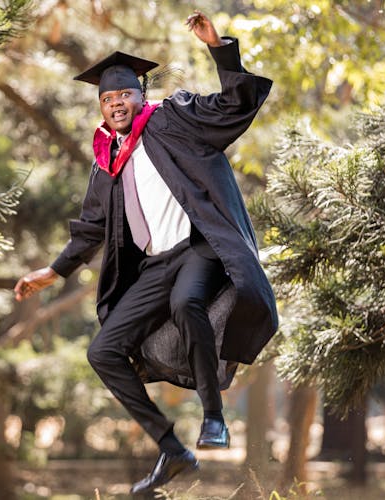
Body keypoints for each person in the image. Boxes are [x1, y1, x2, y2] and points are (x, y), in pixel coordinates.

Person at [14, 10, 278, 494]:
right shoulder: (106, 163)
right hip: (157, 265)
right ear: (101, 106)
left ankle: (213, 417)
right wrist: (51, 273)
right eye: (108, 98)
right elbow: (90, 229)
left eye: (125, 95)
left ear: (141, 95)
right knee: (103, 352)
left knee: (185, 304)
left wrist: (218, 46)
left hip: (198, 246)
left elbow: (233, 105)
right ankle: (172, 450)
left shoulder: (172, 120)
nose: (117, 104)